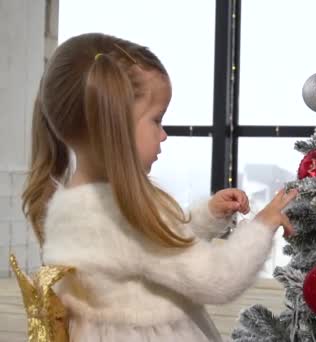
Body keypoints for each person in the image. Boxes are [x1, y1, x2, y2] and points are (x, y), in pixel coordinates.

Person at [21, 32, 297, 342]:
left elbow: (153, 253)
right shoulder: (125, 215)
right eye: (156, 120)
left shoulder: (70, 202)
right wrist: (262, 225)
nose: (164, 134)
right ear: (114, 127)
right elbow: (217, 278)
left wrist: (207, 216)